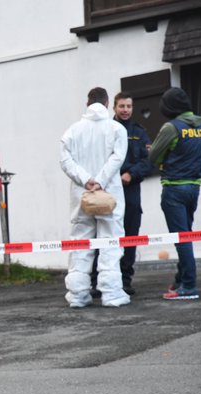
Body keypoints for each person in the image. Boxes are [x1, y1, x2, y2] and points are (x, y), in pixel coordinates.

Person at [60, 87, 130, 308]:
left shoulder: (72, 131)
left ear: (87, 103)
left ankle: (78, 295)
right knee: (111, 242)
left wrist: (86, 179)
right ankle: (112, 294)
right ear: (108, 103)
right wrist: (100, 180)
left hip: (82, 195)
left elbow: (65, 161)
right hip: (109, 194)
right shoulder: (117, 129)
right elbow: (118, 158)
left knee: (80, 243)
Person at [148, 87, 201, 300]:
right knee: (186, 236)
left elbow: (154, 157)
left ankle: (189, 286)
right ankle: (181, 280)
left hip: (174, 189)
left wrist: (157, 154)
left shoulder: (171, 127)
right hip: (194, 188)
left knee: (182, 240)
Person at [90, 92, 153, 297]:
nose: (125, 110)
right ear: (113, 108)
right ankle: (97, 281)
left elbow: (148, 161)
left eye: (129, 106)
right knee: (103, 234)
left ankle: (125, 280)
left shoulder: (139, 132)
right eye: (121, 106)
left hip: (130, 189)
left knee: (129, 235)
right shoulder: (105, 130)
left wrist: (131, 174)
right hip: (107, 190)